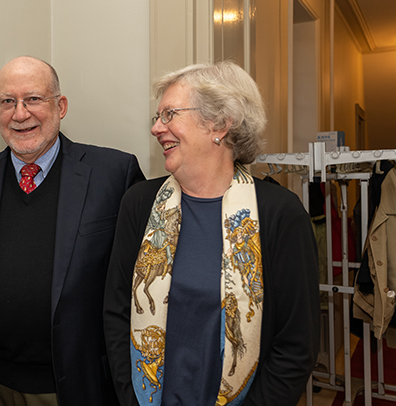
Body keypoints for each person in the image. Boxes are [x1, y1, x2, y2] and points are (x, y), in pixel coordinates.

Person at [0, 56, 145, 406]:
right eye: (7, 102)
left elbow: (137, 297)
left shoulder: (113, 175)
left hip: (80, 387)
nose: (20, 114)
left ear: (60, 106)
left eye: (33, 99)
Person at [103, 61, 319, 406]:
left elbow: (296, 346)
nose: (157, 128)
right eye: (157, 117)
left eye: (170, 114)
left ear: (219, 124)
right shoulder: (140, 203)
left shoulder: (280, 214)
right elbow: (116, 312)